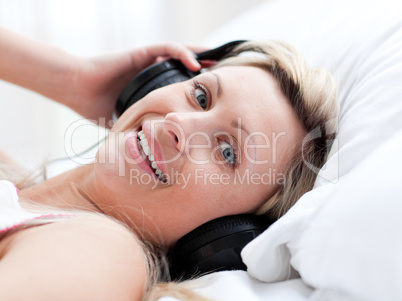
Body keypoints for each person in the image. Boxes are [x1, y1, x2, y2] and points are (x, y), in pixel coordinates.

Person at [0, 27, 339, 301]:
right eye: (202, 96)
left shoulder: (101, 251)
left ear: (228, 230)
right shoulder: (18, 188)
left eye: (227, 152)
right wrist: (74, 78)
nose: (178, 122)